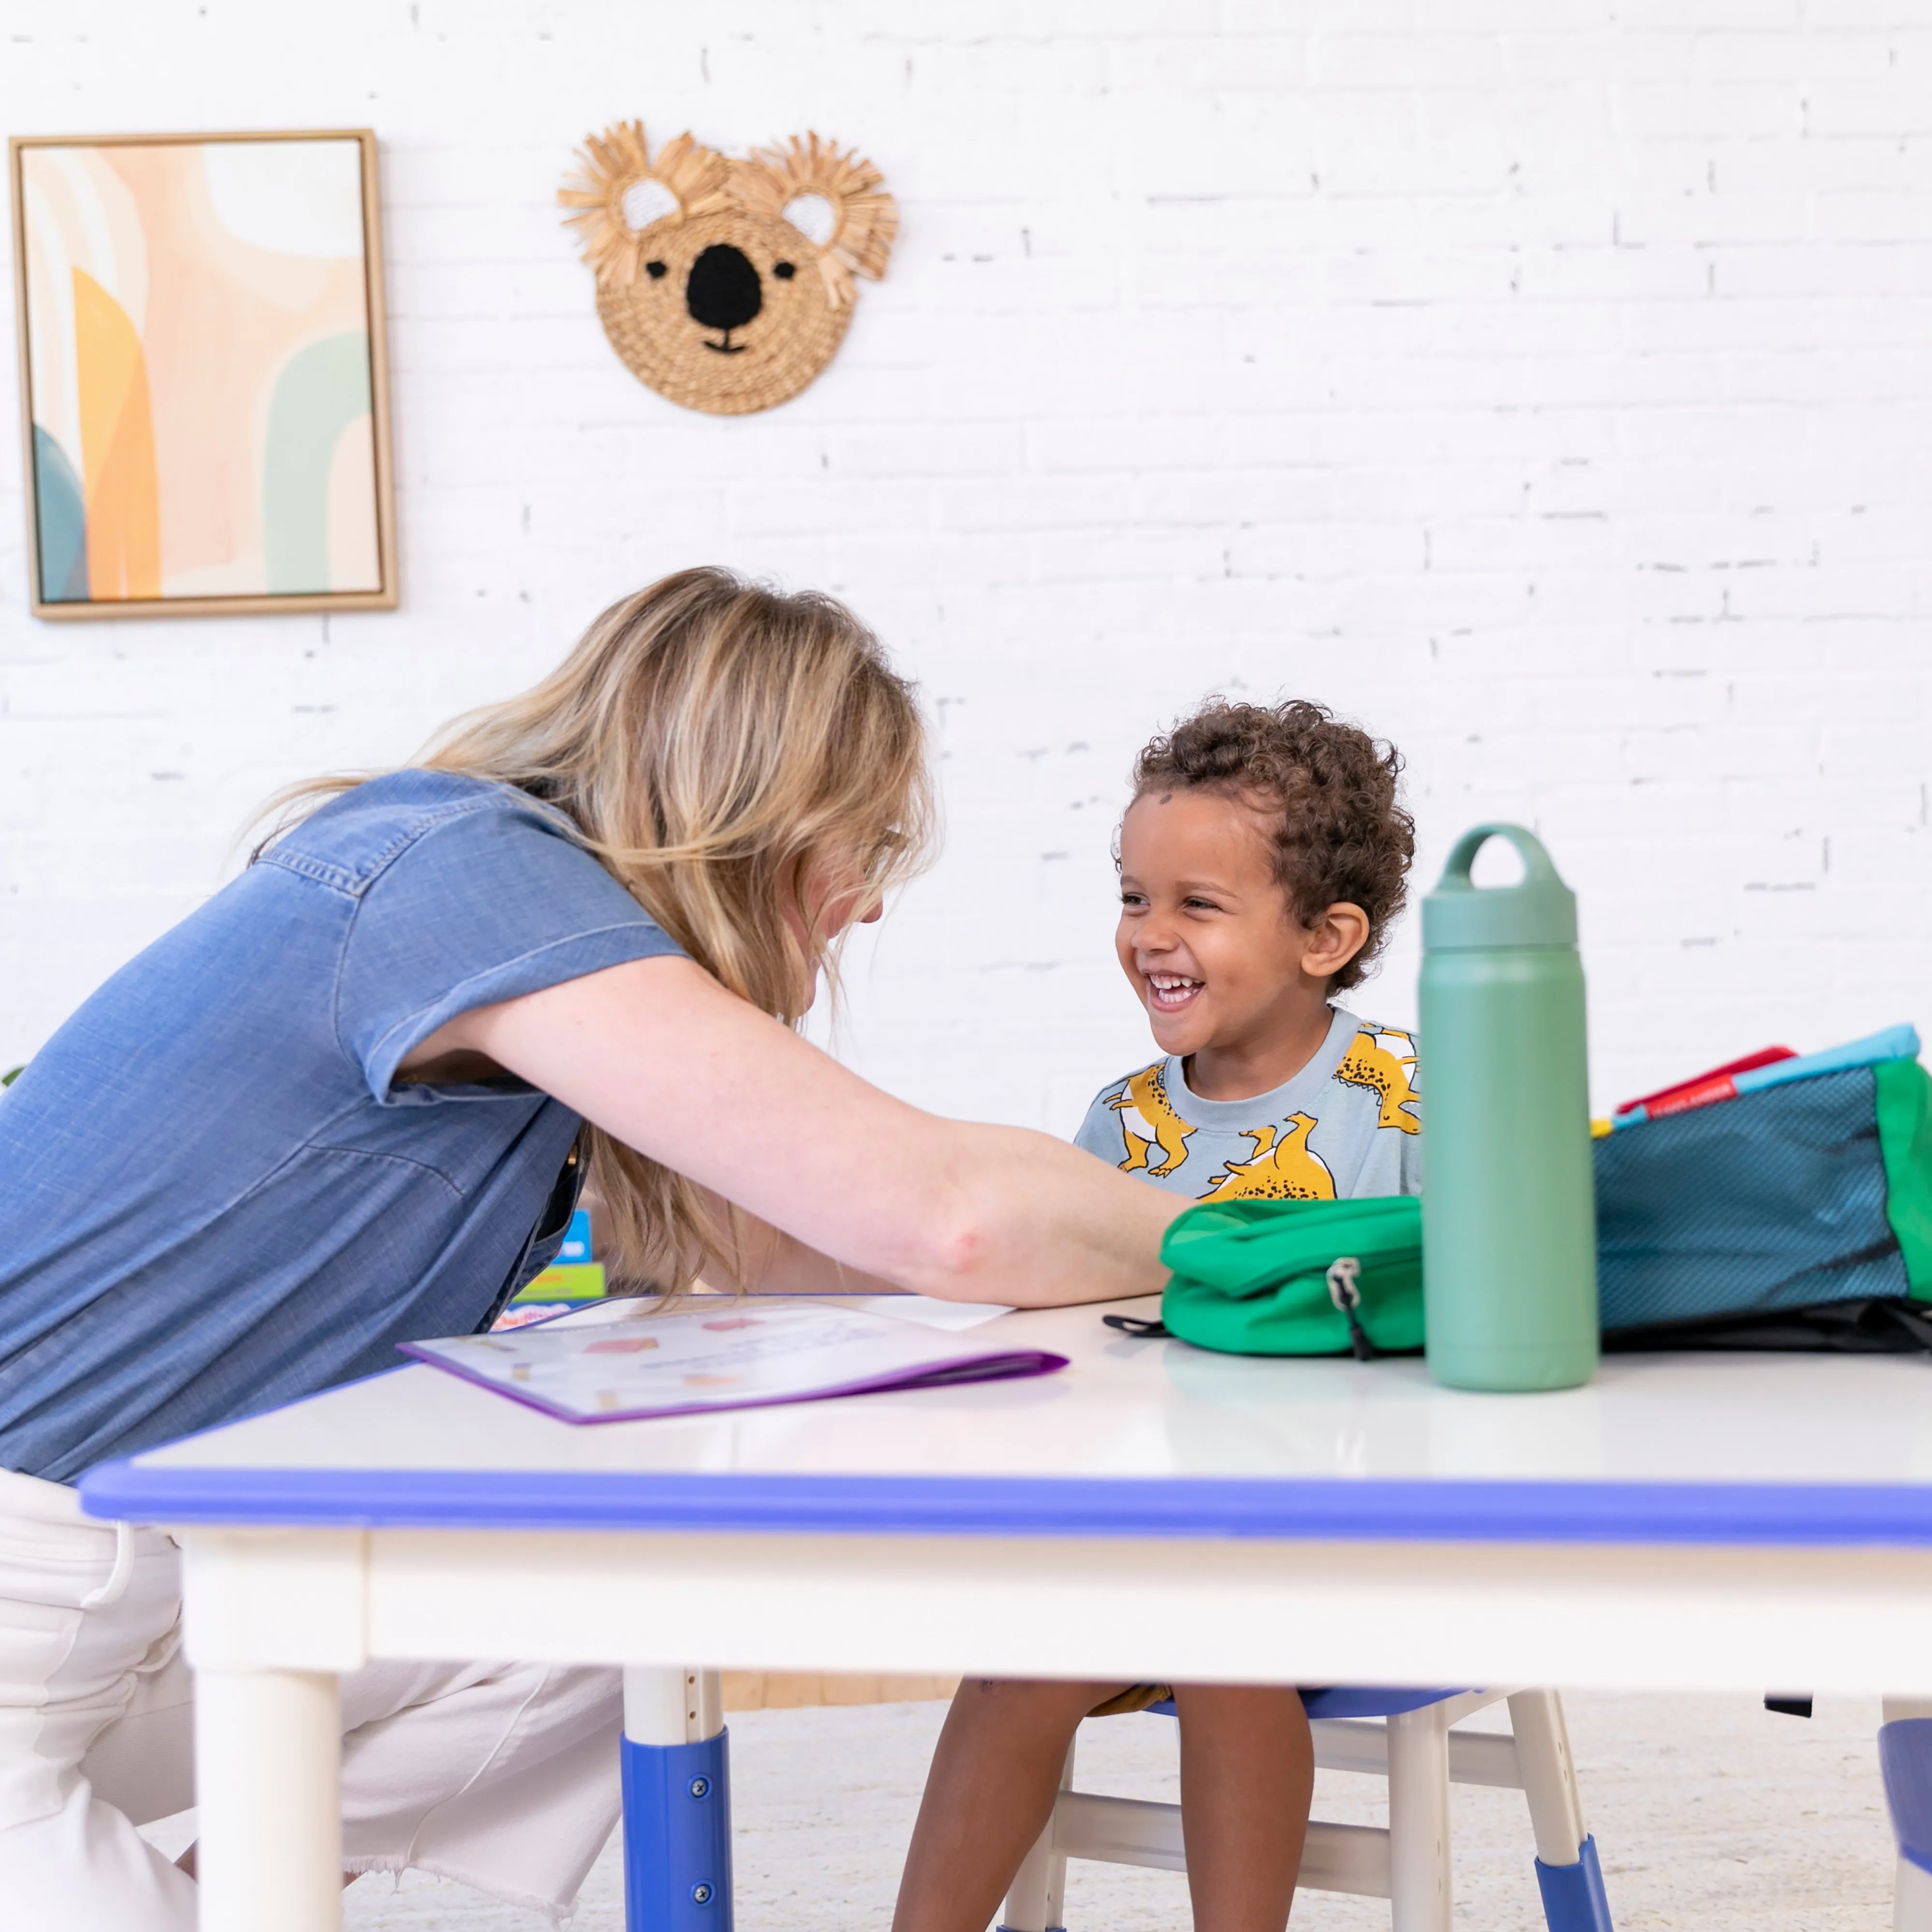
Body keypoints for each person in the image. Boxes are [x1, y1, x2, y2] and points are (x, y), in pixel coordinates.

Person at [0, 568, 1180, 1932]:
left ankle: (241, 1896)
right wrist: (1251, 1244)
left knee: (601, 1591)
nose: (866, 906)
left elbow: (786, 1247)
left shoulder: (535, 955)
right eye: (865, 843)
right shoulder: (462, 871)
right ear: (763, 812)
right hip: (32, 1578)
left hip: (157, 1573)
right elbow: (943, 1213)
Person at [892, 697, 1418, 1932]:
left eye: (1197, 903)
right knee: (1017, 1666)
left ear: (1324, 936)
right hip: (1153, 1514)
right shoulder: (1122, 1120)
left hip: (1355, 1525)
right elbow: (1074, 1330)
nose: (1149, 934)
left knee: (1218, 1630)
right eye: (1134, 896)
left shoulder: (1396, 1097)